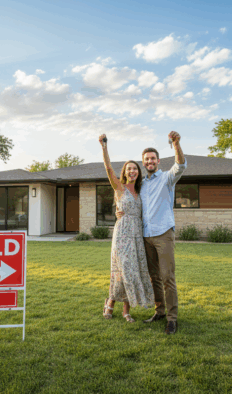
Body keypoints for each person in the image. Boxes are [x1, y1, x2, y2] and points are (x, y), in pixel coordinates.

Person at [117, 131, 186, 334]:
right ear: (143, 162)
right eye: (146, 159)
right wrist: (118, 210)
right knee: (153, 277)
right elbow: (128, 201)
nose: (150, 161)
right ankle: (160, 311)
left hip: (164, 234)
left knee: (167, 277)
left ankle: (172, 319)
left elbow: (180, 165)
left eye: (153, 158)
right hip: (145, 236)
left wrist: (176, 144)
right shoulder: (142, 184)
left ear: (157, 161)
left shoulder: (166, 178)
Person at [99, 134, 154, 323]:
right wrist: (104, 147)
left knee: (134, 270)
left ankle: (126, 311)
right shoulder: (119, 188)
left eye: (135, 169)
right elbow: (107, 168)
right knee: (123, 270)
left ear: (138, 172)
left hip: (137, 235)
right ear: (125, 171)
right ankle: (110, 303)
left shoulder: (141, 191)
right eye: (129, 169)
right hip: (122, 233)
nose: (132, 171)